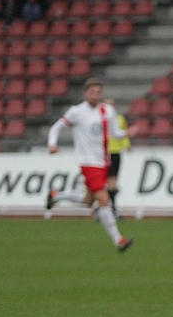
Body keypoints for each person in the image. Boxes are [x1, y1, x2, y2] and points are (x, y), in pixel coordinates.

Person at [46, 79, 139, 252]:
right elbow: (57, 127)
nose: (95, 96)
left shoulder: (107, 111)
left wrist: (127, 133)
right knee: (103, 199)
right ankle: (118, 239)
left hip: (103, 162)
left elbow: (115, 133)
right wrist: (52, 143)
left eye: (98, 92)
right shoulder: (76, 112)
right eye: (91, 92)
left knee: (89, 200)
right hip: (87, 162)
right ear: (85, 93)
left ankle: (56, 195)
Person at [103, 98, 129, 217]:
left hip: (115, 153)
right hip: (102, 153)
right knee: (102, 182)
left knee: (113, 181)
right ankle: (104, 208)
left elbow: (124, 134)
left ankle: (112, 209)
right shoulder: (99, 118)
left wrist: (127, 145)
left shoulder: (120, 119)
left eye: (111, 106)